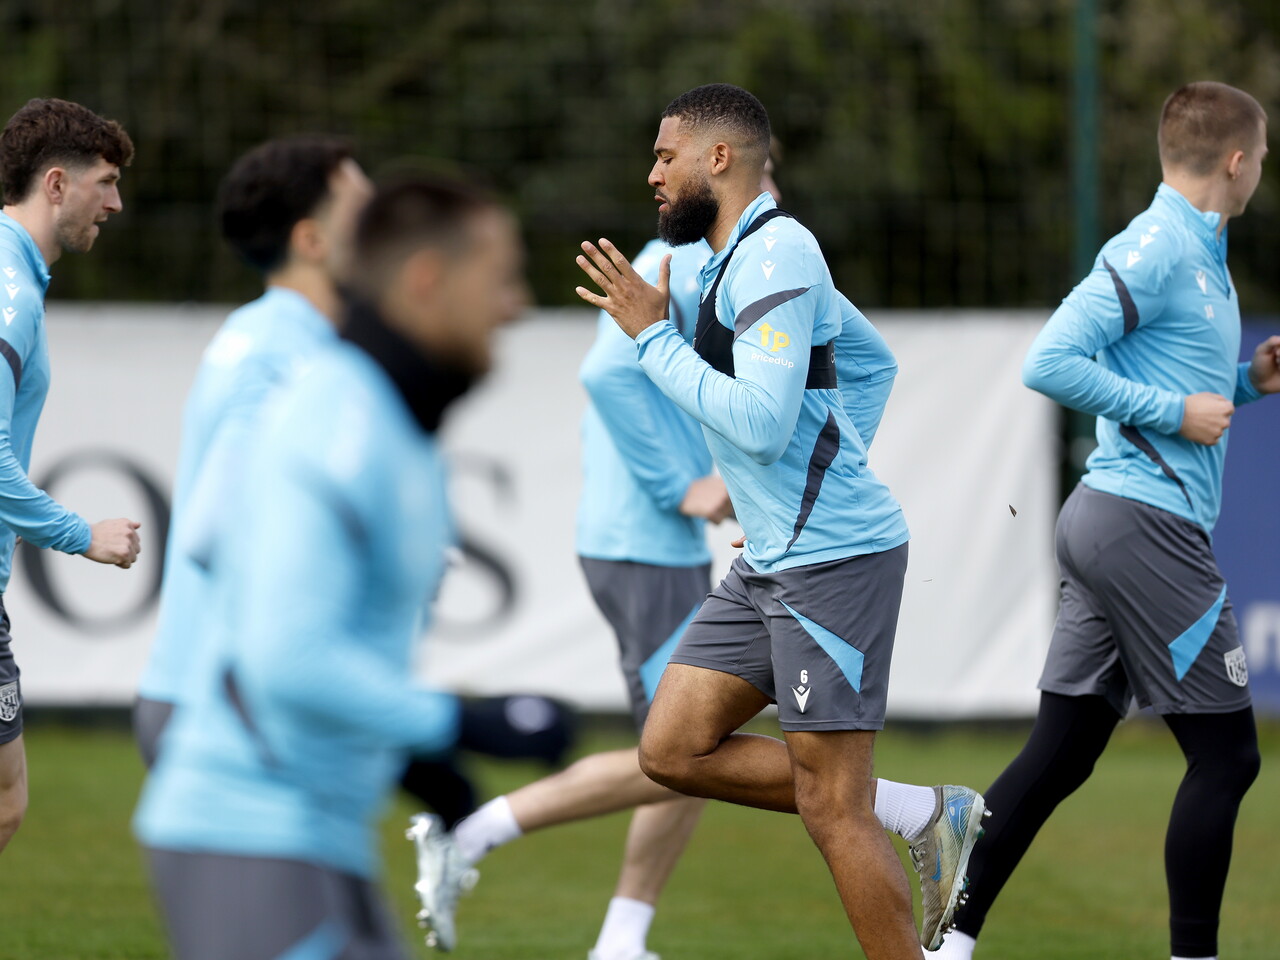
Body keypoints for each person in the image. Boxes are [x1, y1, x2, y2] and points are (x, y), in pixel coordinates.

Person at [573, 83, 986, 959]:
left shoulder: (778, 254)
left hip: (831, 564)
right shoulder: (731, 259)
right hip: (775, 558)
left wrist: (653, 338)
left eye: (665, 154)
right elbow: (873, 365)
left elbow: (760, 421)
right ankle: (927, 810)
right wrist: (799, 485)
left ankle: (921, 846)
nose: (652, 174)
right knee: (672, 748)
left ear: (717, 159)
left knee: (831, 807)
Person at [133, 174, 529, 960]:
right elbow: (289, 655)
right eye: (501, 278)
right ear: (427, 280)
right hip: (248, 822)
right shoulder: (338, 410)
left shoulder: (389, 417)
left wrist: (418, 760)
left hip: (315, 828)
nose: (514, 304)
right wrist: (460, 723)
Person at [935, 81, 1279, 960]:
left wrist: (1248, 384)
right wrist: (1174, 410)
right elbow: (1049, 360)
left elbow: (1182, 386)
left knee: (1063, 750)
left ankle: (949, 943)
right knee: (1229, 757)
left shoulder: (1200, 250)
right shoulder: (1158, 244)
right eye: (1262, 156)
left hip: (1111, 522)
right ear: (1236, 161)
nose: (1262, 170)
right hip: (1143, 524)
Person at [0, 97, 142, 857]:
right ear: (56, 185)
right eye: (107, 182)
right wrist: (78, 533)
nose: (116, 202)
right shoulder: (9, 293)